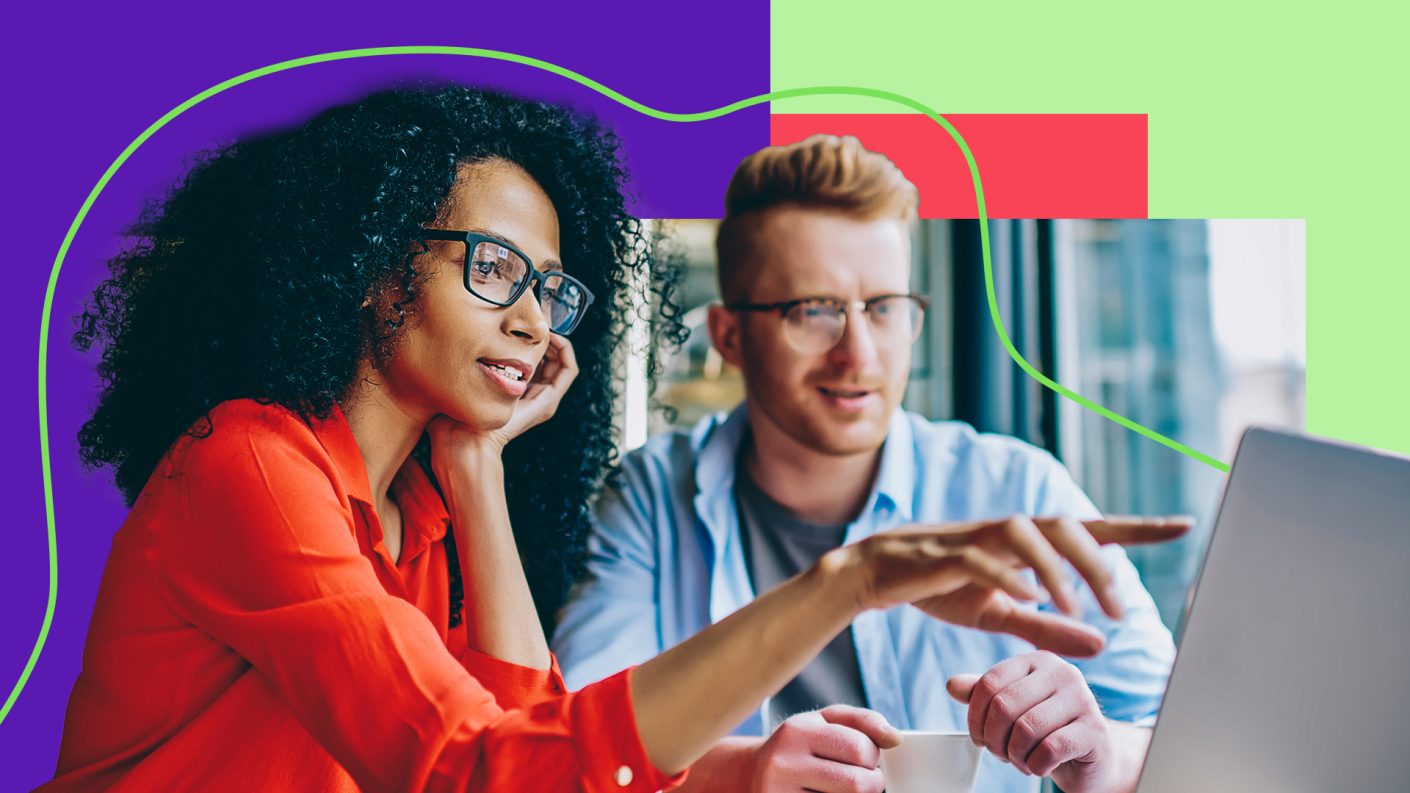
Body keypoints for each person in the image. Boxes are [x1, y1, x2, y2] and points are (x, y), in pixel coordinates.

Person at [48, 89, 1185, 793]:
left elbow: (526, 737)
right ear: (372, 268)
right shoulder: (251, 465)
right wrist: (851, 582)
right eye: (493, 269)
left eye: (549, 285)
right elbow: (483, 770)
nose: (536, 318)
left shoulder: (420, 510)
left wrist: (480, 468)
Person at [553, 134, 1182, 793]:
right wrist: (740, 774)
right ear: (729, 336)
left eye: (884, 309)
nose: (859, 355)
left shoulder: (1017, 487)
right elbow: (576, 748)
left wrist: (1097, 750)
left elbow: (1176, 732)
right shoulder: (653, 497)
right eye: (813, 311)